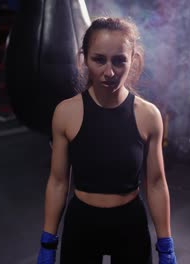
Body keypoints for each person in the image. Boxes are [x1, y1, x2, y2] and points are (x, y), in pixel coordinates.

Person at [37, 17, 178, 264]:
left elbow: (155, 184)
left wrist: (166, 245)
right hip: (82, 223)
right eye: (99, 59)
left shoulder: (149, 116)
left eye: (119, 60)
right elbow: (59, 181)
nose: (109, 72)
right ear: (84, 58)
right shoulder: (66, 113)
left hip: (129, 223)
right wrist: (48, 241)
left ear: (133, 60)